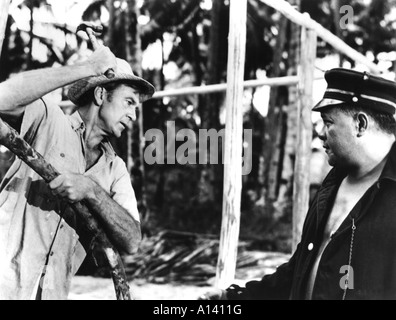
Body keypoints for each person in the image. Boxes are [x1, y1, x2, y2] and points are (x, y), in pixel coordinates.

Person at [200, 68, 396, 300]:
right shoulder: (332, 185)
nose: (321, 134)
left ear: (360, 124)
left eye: (328, 122)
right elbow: (298, 271)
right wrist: (233, 298)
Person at [0, 45, 155, 300]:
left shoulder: (115, 170)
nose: (133, 115)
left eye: (136, 108)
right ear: (101, 94)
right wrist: (89, 68)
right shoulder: (49, 120)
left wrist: (92, 190)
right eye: (129, 102)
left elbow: (132, 241)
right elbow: (2, 97)